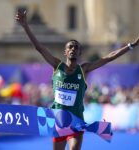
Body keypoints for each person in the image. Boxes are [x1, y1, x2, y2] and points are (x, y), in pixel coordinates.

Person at [15, 10, 139, 150]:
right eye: (70, 47)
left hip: (76, 123)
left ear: (80, 52)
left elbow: (109, 57)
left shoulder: (83, 69)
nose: (73, 49)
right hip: (59, 122)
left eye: (76, 47)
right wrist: (25, 26)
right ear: (65, 52)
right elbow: (39, 48)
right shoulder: (57, 66)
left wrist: (131, 46)